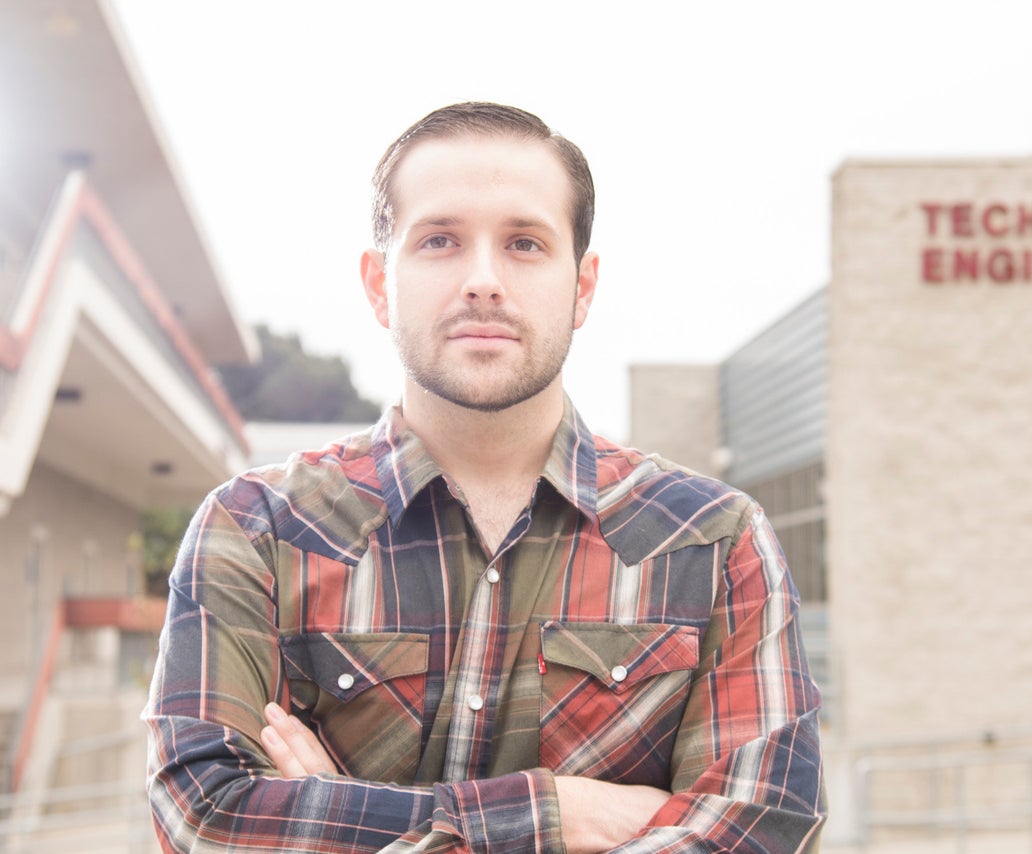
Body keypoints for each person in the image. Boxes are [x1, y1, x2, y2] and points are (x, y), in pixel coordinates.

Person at [144, 102, 825, 853]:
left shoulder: (714, 542)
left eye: (525, 243)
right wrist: (559, 814)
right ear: (379, 284)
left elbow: (763, 833)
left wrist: (343, 814)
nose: (483, 280)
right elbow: (204, 818)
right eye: (439, 240)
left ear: (583, 287)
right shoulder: (257, 530)